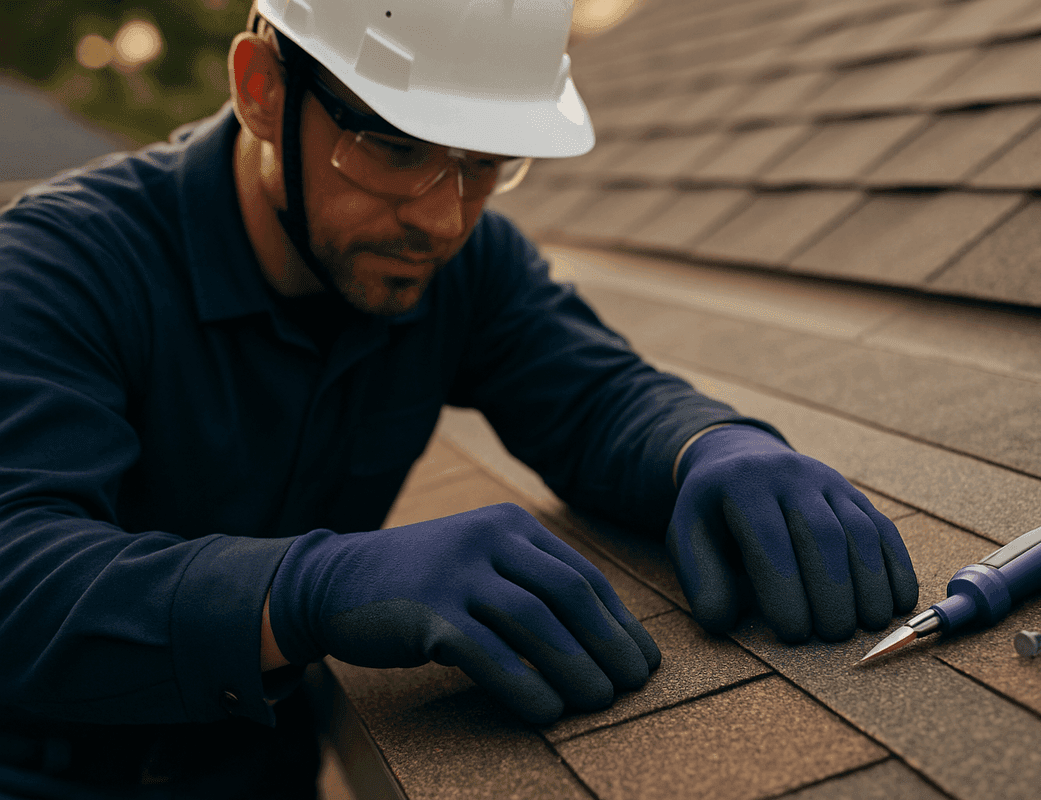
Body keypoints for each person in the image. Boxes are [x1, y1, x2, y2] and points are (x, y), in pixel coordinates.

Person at [0, 1, 919, 796]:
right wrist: (304, 590)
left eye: (485, 163)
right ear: (263, 91)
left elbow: (595, 394)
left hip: (267, 776)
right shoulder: (55, 272)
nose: (441, 217)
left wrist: (712, 445)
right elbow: (19, 577)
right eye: (394, 150)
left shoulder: (461, 267)